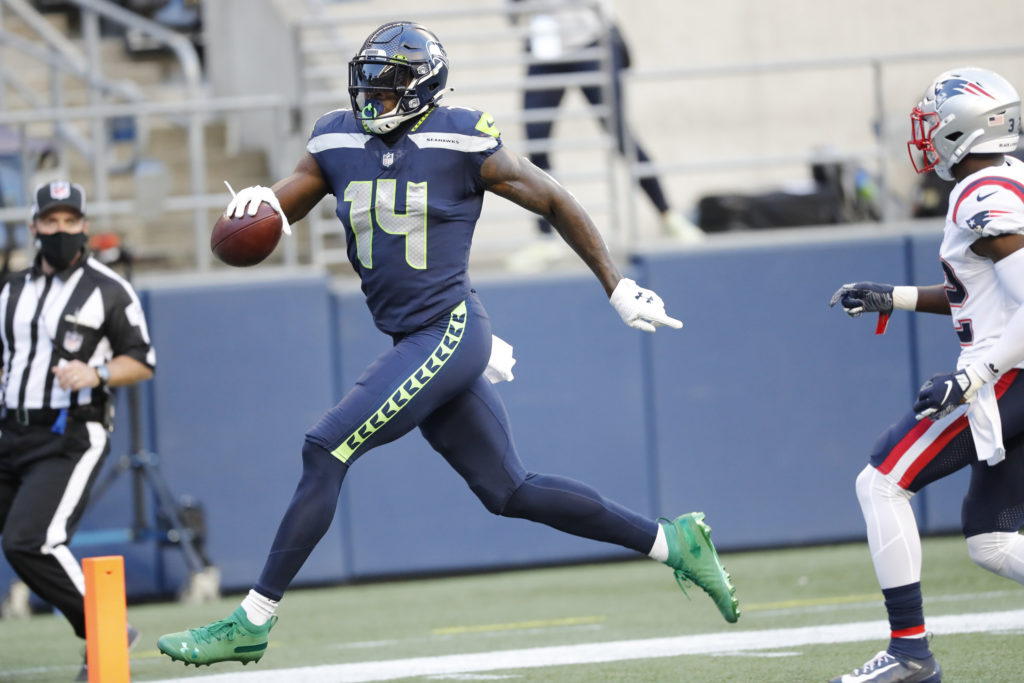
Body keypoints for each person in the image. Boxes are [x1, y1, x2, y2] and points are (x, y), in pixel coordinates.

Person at [156, 21, 739, 668]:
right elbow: (279, 207)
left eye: (389, 82)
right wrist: (257, 208)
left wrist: (616, 286)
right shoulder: (335, 139)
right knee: (509, 490)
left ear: (423, 86)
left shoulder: (461, 139)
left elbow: (554, 199)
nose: (373, 95)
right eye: (368, 80)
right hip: (420, 335)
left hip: (447, 329)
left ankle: (252, 619)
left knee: (325, 447)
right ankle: (673, 541)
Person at [828, 67, 1024, 683]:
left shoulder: (980, 193)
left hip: (1010, 375)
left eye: (936, 119)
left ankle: (910, 655)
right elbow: (978, 291)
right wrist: (898, 297)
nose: (928, 132)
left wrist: (974, 379)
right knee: (992, 541)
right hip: (1011, 372)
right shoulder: (1003, 181)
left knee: (881, 482)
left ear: (966, 126)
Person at [0, 180, 154, 680]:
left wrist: (98, 373)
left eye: (70, 222)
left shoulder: (109, 289)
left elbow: (143, 361)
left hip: (70, 434)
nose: (61, 230)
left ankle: (106, 631)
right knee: (26, 541)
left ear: (85, 227)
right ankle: (102, 628)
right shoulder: (11, 289)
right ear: (34, 227)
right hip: (9, 431)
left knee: (33, 541)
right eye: (52, 221)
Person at [505, 1, 704, 271]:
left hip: (590, 43)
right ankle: (546, 239)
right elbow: (513, 15)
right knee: (536, 141)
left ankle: (668, 215)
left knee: (621, 135)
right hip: (546, 50)